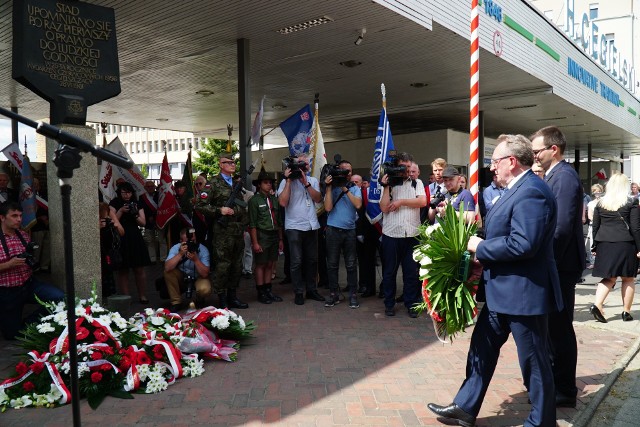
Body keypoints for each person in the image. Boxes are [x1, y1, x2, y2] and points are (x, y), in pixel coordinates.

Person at [428, 134, 562, 427]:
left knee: (534, 363)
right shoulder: (518, 188)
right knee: (482, 346)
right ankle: (465, 406)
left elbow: (523, 244)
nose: (492, 167)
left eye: (496, 161)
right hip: (502, 290)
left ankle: (542, 421)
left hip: (524, 293)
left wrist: (479, 247)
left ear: (511, 162)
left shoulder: (531, 192)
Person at [530, 125, 585, 408]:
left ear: (554, 149)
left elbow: (560, 228)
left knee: (560, 328)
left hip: (561, 266)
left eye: (538, 150)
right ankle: (558, 381)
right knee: (554, 327)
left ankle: (564, 388)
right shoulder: (556, 177)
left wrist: (543, 260)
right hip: (559, 264)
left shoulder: (563, 178)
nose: (535, 155)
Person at [0, 202, 65, 340]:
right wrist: (8, 264)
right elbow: (9, 264)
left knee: (60, 298)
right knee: (12, 335)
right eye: (14, 216)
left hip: (28, 283)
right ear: (2, 217)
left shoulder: (23, 235)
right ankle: (19, 328)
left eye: (20, 215)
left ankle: (28, 325)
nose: (19, 219)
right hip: (7, 291)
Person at [195, 152, 249, 309]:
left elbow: (241, 207)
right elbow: (200, 205)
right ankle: (222, 299)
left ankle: (233, 296)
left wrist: (242, 221)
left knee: (236, 266)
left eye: (233, 162)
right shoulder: (212, 184)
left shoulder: (236, 183)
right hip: (222, 233)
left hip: (237, 231)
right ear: (220, 164)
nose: (232, 164)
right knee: (222, 266)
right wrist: (220, 210)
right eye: (228, 162)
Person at [379, 151, 427, 318]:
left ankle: (411, 304)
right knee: (390, 272)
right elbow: (384, 208)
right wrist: (386, 187)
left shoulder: (417, 183)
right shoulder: (389, 183)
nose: (406, 170)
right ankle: (389, 304)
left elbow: (422, 201)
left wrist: (400, 202)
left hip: (412, 234)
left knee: (411, 272)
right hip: (392, 234)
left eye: (408, 167)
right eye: (403, 167)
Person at [589, 173, 640, 323]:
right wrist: (639, 247)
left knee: (609, 277)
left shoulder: (600, 203)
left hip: (604, 243)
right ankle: (626, 312)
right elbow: (636, 228)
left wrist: (595, 246)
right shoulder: (631, 202)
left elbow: (596, 227)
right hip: (625, 243)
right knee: (628, 278)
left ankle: (597, 305)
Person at [277, 153, 325, 305]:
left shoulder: (312, 180)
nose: (305, 166)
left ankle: (311, 290)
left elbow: (318, 199)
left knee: (312, 260)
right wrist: (289, 181)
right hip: (294, 226)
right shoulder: (285, 182)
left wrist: (306, 183)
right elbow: (283, 203)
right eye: (301, 164)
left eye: (306, 163)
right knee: (296, 261)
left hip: (311, 225)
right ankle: (298, 291)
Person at [323, 160, 362, 309]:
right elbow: (327, 208)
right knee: (332, 264)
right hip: (333, 230)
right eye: (343, 170)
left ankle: (353, 294)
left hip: (349, 231)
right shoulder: (332, 188)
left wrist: (345, 188)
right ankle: (334, 294)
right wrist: (328, 187)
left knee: (351, 264)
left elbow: (358, 205)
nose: (346, 173)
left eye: (349, 171)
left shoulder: (355, 188)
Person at [109, 182, 151, 304]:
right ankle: (126, 297)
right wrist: (121, 211)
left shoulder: (137, 203)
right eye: (124, 192)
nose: (127, 195)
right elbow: (112, 219)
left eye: (129, 192)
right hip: (120, 237)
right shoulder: (115, 203)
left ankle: (143, 295)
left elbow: (143, 223)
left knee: (139, 269)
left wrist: (135, 215)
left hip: (134, 237)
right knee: (123, 270)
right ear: (119, 193)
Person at [248, 171, 284, 304]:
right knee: (261, 264)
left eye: (270, 183)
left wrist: (280, 239)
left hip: (274, 235)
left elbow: (278, 221)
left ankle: (268, 290)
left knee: (271, 263)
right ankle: (261, 291)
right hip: (262, 235)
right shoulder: (254, 201)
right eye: (265, 183)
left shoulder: (274, 199)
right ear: (259, 185)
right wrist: (255, 242)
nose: (269, 185)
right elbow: (252, 224)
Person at [164, 228, 212, 311]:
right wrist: (180, 254)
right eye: (187, 242)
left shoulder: (203, 249)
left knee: (204, 288)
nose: (190, 244)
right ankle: (176, 302)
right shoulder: (176, 248)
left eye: (192, 241)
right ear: (181, 241)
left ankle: (200, 299)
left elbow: (205, 274)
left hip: (198, 277)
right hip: (182, 278)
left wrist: (196, 260)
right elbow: (167, 267)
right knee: (168, 272)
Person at [99, 202, 124, 298]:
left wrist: (114, 225)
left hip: (109, 250)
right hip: (99, 250)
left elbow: (122, 232)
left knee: (109, 275)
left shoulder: (110, 218)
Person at [140, 180, 167, 263]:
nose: (150, 188)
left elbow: (163, 207)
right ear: (145, 188)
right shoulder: (142, 197)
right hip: (148, 222)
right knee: (150, 241)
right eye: (148, 186)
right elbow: (141, 209)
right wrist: (149, 217)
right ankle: (152, 259)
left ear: (155, 187)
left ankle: (163, 258)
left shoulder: (160, 195)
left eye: (152, 186)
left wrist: (155, 216)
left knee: (162, 240)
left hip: (159, 221)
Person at [585, 184, 604, 269]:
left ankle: (603, 261)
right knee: (593, 243)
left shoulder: (604, 202)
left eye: (599, 192)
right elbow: (589, 216)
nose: (597, 193)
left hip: (603, 225)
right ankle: (593, 261)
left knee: (603, 243)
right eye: (596, 192)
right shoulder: (591, 203)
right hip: (594, 225)